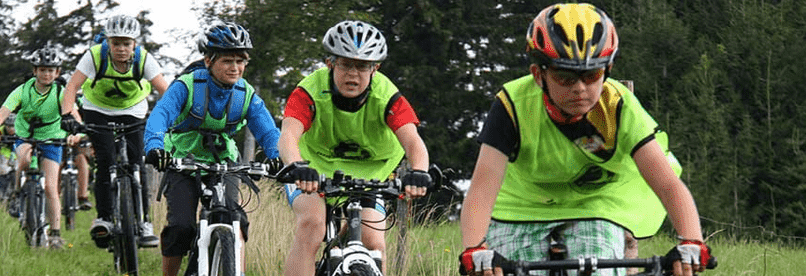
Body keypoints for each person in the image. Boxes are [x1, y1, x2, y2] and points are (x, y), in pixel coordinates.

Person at [457, 4, 712, 276]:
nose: (580, 88)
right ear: (537, 74)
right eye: (565, 78)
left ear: (608, 70)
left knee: (597, 267)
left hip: (597, 200)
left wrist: (692, 242)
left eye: (591, 76)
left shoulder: (619, 106)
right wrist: (474, 248)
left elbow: (668, 184)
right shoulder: (512, 105)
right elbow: (483, 186)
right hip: (523, 204)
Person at [278, 20, 432, 276]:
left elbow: (414, 141)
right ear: (330, 63)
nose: (353, 74)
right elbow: (288, 135)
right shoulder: (309, 91)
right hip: (312, 169)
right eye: (345, 64)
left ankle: (347, 242)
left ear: (375, 68)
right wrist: (296, 165)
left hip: (371, 174)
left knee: (375, 243)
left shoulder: (387, 95)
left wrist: (419, 172)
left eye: (362, 66)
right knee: (311, 225)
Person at [144, 21, 281, 276]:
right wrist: (155, 147)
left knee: (235, 219)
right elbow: (160, 115)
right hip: (183, 160)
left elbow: (268, 130)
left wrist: (277, 156)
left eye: (241, 61)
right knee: (181, 227)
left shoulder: (245, 93)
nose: (235, 68)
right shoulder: (187, 85)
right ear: (208, 61)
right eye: (228, 61)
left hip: (224, 161)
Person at [59, 14, 170, 248]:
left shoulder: (144, 60)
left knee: (137, 164)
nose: (121, 49)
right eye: (116, 43)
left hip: (133, 110)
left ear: (134, 44)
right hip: (97, 109)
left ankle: (144, 222)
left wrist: (166, 119)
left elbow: (166, 92)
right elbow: (72, 87)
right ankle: (105, 218)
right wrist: (68, 115)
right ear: (107, 42)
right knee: (106, 160)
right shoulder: (94, 56)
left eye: (126, 43)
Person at [0, 48, 80, 249]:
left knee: (51, 187)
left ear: (57, 73)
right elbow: (2, 112)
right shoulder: (23, 90)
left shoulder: (61, 92)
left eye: (51, 70)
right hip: (25, 134)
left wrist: (75, 133)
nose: (47, 74)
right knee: (24, 160)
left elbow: (74, 115)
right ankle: (18, 195)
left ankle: (55, 234)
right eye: (43, 70)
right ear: (35, 71)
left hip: (53, 137)